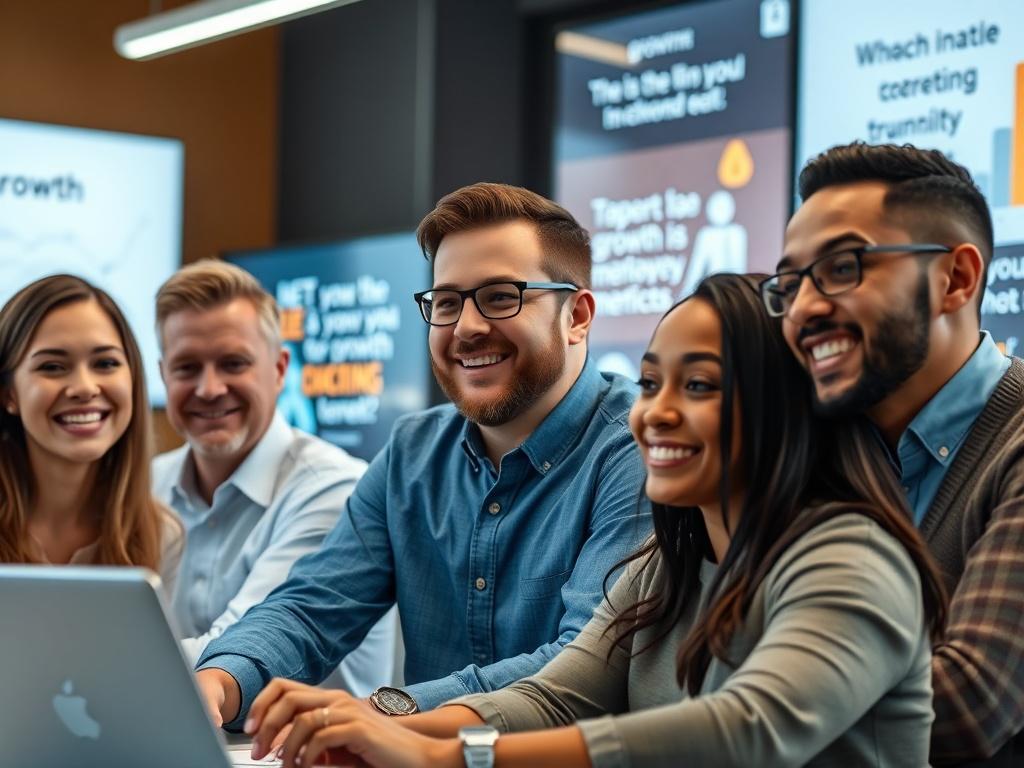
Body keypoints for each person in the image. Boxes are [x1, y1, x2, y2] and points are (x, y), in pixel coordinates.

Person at [241, 272, 948, 768]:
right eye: (648, 383)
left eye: (697, 385)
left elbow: (746, 733)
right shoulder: (666, 564)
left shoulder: (854, 555)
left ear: (787, 407)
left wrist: (443, 757)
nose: (653, 412)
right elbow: (558, 697)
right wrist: (375, 728)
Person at [193, 182, 650, 738]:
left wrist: (388, 709)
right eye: (447, 302)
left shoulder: (637, 445)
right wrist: (220, 678)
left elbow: (583, 669)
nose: (467, 328)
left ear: (577, 315)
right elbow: (312, 608)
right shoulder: (413, 452)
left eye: (501, 296)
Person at [764, 141, 1024, 765]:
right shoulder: (814, 436)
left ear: (955, 280)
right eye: (791, 282)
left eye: (843, 268)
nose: (802, 309)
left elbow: (964, 706)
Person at [151, 259, 394, 695]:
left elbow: (237, 650)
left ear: (280, 369)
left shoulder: (335, 488)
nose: (209, 388)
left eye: (232, 363)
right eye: (186, 368)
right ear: (163, 375)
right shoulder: (146, 485)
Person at [0, 274, 181, 587]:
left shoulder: (162, 536)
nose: (84, 388)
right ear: (8, 395)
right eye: (52, 367)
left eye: (106, 363)